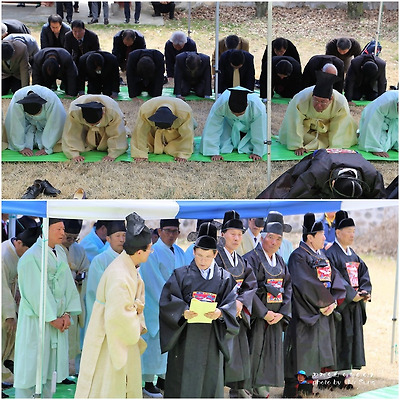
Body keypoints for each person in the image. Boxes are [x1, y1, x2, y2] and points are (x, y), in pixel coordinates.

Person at [75, 212, 152, 398]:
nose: (151, 252)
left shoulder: (128, 266)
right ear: (139, 252)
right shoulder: (120, 274)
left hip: (118, 332)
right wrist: (135, 323)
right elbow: (118, 316)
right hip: (111, 334)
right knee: (109, 385)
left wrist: (137, 315)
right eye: (150, 249)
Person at [159, 222, 239, 398]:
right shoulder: (181, 275)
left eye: (207, 256)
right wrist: (182, 311)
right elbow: (167, 300)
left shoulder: (225, 278)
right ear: (194, 251)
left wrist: (221, 313)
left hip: (212, 337)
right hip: (186, 337)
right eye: (200, 255)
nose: (203, 261)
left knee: (210, 379)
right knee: (183, 379)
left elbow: (231, 303)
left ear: (215, 254)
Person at [13, 219, 81, 398]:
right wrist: (52, 318)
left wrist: (66, 314)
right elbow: (35, 290)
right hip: (37, 319)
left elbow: (68, 284)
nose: (62, 233)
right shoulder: (31, 256)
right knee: (31, 369)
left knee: (50, 372)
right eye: (58, 229)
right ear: (46, 229)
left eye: (63, 229)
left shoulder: (60, 251)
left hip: (58, 318)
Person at [283, 213, 346, 397]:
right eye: (321, 234)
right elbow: (305, 283)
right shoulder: (298, 257)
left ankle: (308, 388)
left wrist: (333, 301)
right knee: (302, 351)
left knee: (314, 352)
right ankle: (295, 389)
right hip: (306, 311)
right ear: (310, 237)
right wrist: (324, 303)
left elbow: (335, 278)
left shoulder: (322, 256)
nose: (325, 237)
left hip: (322, 310)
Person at [243, 214, 292, 397]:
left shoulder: (280, 261)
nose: (274, 242)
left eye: (278, 239)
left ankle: (262, 388)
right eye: (270, 237)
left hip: (276, 317)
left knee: (270, 353)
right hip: (257, 317)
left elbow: (288, 287)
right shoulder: (250, 258)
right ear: (262, 236)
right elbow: (249, 288)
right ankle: (245, 389)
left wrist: (282, 313)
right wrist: (263, 312)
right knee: (253, 351)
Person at [139, 219, 185, 397]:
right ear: (159, 231)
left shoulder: (180, 252)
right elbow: (153, 281)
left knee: (169, 345)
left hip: (176, 303)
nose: (171, 235)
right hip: (156, 303)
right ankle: (148, 381)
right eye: (168, 231)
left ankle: (163, 378)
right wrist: (170, 301)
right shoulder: (152, 252)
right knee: (153, 344)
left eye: (175, 231)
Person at [215, 211, 257, 397]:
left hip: (238, 314)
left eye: (240, 234)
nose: (237, 238)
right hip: (221, 315)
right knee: (220, 353)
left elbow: (251, 284)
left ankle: (237, 389)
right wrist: (232, 305)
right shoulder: (215, 258)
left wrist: (241, 302)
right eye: (233, 234)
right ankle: (216, 390)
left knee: (239, 353)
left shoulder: (241, 260)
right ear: (223, 234)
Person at [326, 211, 372, 378]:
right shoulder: (330, 253)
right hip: (341, 305)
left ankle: (346, 376)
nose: (352, 235)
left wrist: (365, 292)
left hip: (354, 305)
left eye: (353, 231)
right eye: (349, 231)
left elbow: (364, 274)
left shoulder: (353, 254)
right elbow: (335, 276)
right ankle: (334, 377)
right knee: (339, 339)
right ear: (338, 233)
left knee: (352, 339)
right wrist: (352, 294)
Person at [278, 71, 357, 156]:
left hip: (328, 129)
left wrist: (334, 148)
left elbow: (339, 127)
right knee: (298, 138)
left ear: (331, 99)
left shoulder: (340, 102)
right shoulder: (301, 99)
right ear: (312, 95)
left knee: (342, 140)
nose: (318, 105)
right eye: (316, 100)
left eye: (323, 102)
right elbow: (294, 122)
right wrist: (297, 145)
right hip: (307, 128)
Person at [257, 149, 387, 199]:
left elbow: (379, 198)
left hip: (350, 158)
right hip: (320, 157)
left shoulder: (372, 175)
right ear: (333, 182)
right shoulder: (316, 171)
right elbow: (296, 193)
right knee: (283, 188)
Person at [2, 227, 42, 387]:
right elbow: (2, 287)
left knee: (8, 343)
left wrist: (18, 290)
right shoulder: (3, 255)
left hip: (10, 297)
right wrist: (9, 315)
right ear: (19, 243)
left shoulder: (18, 254)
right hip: (3, 302)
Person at [200, 87, 267, 161]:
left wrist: (258, 152)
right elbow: (212, 126)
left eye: (240, 114)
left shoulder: (257, 106)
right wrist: (213, 151)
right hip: (229, 124)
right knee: (223, 146)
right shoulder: (222, 103)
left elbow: (260, 129)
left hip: (249, 127)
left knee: (249, 146)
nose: (237, 116)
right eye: (233, 113)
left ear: (247, 105)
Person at [60, 219, 89, 375]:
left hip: (74, 297)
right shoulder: (53, 248)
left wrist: (81, 277)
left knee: (71, 339)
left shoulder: (79, 249)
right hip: (59, 301)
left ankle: (66, 371)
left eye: (74, 238)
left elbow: (86, 269)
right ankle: (56, 372)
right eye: (68, 237)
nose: (71, 241)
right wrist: (72, 276)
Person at [62, 95, 129, 162]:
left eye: (96, 123)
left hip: (106, 127)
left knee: (115, 132)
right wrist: (73, 154)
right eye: (90, 124)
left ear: (103, 113)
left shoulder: (113, 111)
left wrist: (113, 154)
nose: (93, 126)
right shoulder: (74, 111)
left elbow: (117, 133)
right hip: (86, 128)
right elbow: (71, 132)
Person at [4, 85, 66, 156]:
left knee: (57, 142)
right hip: (28, 125)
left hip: (45, 126)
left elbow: (56, 123)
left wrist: (48, 147)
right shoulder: (18, 97)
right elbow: (15, 123)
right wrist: (20, 147)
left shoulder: (50, 98)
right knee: (23, 141)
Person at [85, 220, 126, 327]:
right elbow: (95, 291)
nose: (122, 239)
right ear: (108, 239)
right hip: (104, 315)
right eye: (117, 236)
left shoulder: (130, 259)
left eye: (124, 235)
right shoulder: (99, 260)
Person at [131, 96, 195, 161]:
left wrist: (183, 153)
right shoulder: (146, 110)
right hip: (153, 131)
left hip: (176, 132)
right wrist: (140, 154)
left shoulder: (184, 112)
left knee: (174, 148)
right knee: (147, 144)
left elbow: (187, 135)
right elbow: (140, 131)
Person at [358, 90, 398, 158]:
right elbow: (372, 122)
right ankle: (362, 135)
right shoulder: (384, 103)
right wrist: (374, 147)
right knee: (382, 146)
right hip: (378, 121)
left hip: (394, 121)